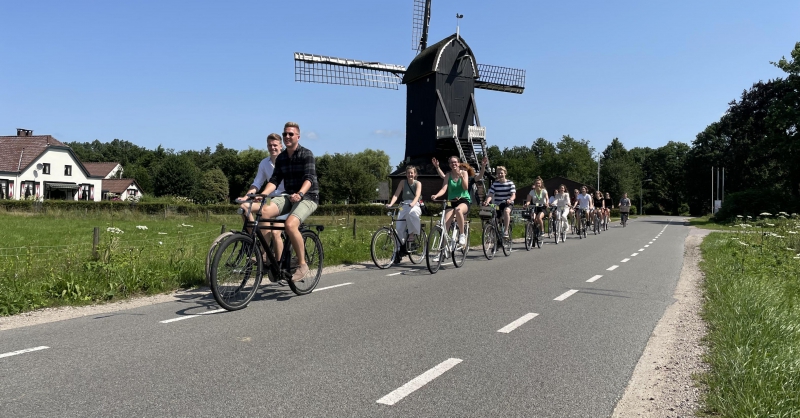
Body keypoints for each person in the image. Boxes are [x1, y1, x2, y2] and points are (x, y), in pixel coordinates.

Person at [259, 122, 319, 282]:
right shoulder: (282, 157)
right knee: (263, 212)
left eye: (290, 134)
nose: (287, 136)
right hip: (288, 196)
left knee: (290, 225)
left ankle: (302, 264)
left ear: (298, 137)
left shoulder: (306, 154)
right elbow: (275, 180)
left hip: (308, 197)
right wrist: (263, 194)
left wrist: (300, 193)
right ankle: (266, 256)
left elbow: (309, 179)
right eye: (285, 134)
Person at [236, 133, 286, 261]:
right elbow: (257, 183)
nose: (272, 147)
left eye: (275, 145)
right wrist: (247, 196)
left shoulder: (287, 161)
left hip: (285, 199)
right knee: (245, 207)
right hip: (270, 199)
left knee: (269, 221)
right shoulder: (264, 163)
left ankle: (270, 258)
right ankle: (255, 238)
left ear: (281, 146)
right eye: (269, 145)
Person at [431, 156, 471, 247]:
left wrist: (461, 177)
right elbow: (444, 188)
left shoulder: (464, 173)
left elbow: (465, 188)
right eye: (451, 163)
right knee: (445, 224)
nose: (454, 164)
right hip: (451, 201)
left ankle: (462, 234)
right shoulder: (448, 175)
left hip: (463, 200)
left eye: (455, 162)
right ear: (449, 165)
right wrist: (436, 195)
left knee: (458, 210)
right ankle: (443, 250)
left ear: (459, 163)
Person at [386, 165, 422, 244]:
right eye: (408, 173)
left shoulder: (418, 183)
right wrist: (391, 204)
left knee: (411, 213)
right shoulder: (402, 182)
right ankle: (400, 247)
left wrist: (413, 203)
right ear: (406, 174)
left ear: (415, 174)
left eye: (411, 173)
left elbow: (417, 195)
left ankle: (411, 234)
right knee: (399, 226)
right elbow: (396, 194)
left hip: (414, 204)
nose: (410, 175)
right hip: (403, 205)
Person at [483, 166, 516, 238]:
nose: (500, 175)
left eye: (501, 173)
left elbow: (513, 195)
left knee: (506, 211)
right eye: (498, 173)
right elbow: (490, 195)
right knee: (495, 218)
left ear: (505, 173)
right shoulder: (495, 184)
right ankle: (496, 236)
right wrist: (487, 201)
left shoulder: (510, 183)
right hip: (498, 204)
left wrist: (510, 200)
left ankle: (506, 231)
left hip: (507, 203)